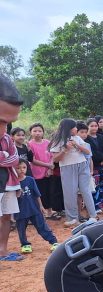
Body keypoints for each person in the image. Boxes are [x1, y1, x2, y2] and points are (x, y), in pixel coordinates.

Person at [48, 119, 97, 227]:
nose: (76, 129)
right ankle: (72, 218)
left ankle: (93, 216)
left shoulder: (77, 138)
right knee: (70, 192)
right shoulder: (58, 140)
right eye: (74, 127)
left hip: (82, 165)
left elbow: (88, 152)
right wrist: (64, 150)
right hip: (67, 167)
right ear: (68, 128)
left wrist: (77, 145)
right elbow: (55, 159)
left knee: (86, 190)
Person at [15, 159, 59, 254]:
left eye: (24, 167)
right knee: (21, 229)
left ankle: (53, 242)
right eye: (18, 168)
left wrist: (41, 207)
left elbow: (37, 194)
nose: (21, 170)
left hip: (34, 209)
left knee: (42, 226)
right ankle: (25, 244)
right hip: (20, 211)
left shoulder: (30, 180)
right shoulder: (13, 183)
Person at [0, 76, 22, 262]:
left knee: (6, 216)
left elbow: (15, 159)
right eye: (0, 121)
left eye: (7, 124)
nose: (4, 130)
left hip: (7, 184)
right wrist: (6, 157)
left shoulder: (7, 139)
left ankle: (3, 251)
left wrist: (6, 158)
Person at [29, 123, 59, 220]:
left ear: (43, 132)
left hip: (49, 172)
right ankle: (40, 213)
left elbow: (52, 156)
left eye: (39, 131)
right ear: (30, 132)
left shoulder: (47, 142)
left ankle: (49, 212)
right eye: (35, 131)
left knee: (49, 191)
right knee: (39, 193)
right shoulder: (29, 144)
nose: (37, 133)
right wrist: (48, 165)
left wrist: (50, 168)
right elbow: (32, 160)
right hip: (36, 173)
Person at [86, 118, 103, 212]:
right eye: (92, 126)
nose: (94, 128)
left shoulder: (102, 137)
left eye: (95, 126)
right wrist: (102, 158)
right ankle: (96, 206)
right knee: (95, 186)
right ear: (87, 127)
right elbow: (91, 153)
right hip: (94, 166)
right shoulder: (86, 139)